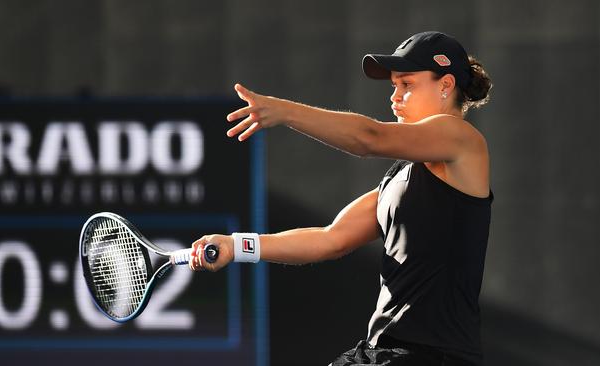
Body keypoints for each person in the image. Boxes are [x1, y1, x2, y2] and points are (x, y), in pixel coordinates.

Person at [189, 31, 493, 366]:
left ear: (446, 85)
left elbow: (368, 137)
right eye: (393, 86)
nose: (395, 97)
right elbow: (329, 239)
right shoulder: (399, 179)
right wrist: (237, 246)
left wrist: (285, 112)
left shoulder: (463, 141)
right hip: (385, 353)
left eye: (406, 85)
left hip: (435, 357)